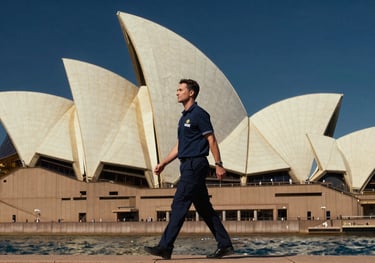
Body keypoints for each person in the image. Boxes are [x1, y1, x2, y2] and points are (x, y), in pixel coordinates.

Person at [144, 79, 234, 259]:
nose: (177, 92)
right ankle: (225, 244)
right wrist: (163, 163)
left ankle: (165, 246)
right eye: (177, 90)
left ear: (191, 93)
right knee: (204, 208)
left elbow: (211, 140)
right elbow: (179, 146)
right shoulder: (183, 117)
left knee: (180, 203)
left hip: (196, 164)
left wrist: (218, 164)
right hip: (186, 165)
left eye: (180, 89)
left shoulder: (199, 114)